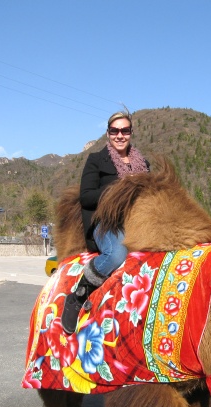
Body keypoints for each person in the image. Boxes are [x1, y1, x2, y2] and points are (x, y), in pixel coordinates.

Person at [61, 111, 150, 333]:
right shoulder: (96, 160)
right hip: (106, 221)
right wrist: (119, 188)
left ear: (131, 133)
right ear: (108, 133)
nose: (120, 135)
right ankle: (78, 296)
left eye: (125, 130)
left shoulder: (144, 164)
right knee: (117, 253)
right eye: (115, 131)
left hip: (138, 221)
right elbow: (87, 196)